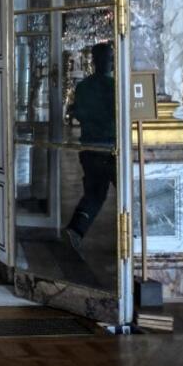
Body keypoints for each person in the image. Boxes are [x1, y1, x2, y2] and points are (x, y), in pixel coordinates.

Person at [64, 42, 116, 251]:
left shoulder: (83, 87)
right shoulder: (114, 87)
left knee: (94, 194)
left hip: (89, 147)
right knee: (129, 193)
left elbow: (77, 113)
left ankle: (75, 231)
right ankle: (134, 239)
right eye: (111, 59)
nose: (110, 63)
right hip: (110, 148)